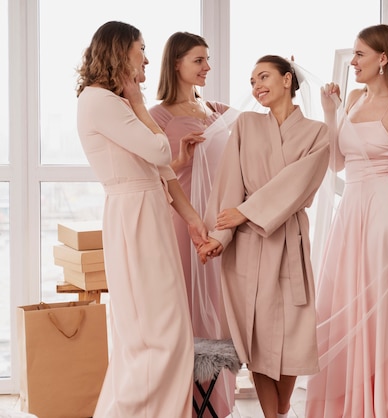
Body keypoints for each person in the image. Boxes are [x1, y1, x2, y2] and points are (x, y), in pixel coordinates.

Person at [76, 21, 207, 417]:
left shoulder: (113, 102)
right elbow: (159, 152)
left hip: (148, 213)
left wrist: (192, 218)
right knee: (154, 335)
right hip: (134, 217)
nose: (147, 58)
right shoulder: (100, 101)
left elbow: (162, 173)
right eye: (141, 49)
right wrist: (136, 103)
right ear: (119, 52)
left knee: (166, 331)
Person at [197, 55, 330, 418]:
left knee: (291, 338)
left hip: (288, 242)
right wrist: (220, 237)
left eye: (264, 77)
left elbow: (299, 185)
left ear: (288, 80)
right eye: (252, 81)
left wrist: (247, 210)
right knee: (255, 336)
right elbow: (229, 185)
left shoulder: (318, 133)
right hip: (247, 246)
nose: (256, 86)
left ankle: (282, 408)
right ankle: (274, 416)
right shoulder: (245, 125)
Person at [304, 24, 388, 418]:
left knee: (379, 309)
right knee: (341, 304)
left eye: (359, 55)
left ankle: (383, 405)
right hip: (350, 211)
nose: (352, 62)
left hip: (382, 213)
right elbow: (338, 163)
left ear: (383, 58)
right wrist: (329, 112)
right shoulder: (353, 98)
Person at [149, 32, 240, 417]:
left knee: (216, 308)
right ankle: (178, 400)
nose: (207, 67)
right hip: (178, 221)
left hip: (216, 223)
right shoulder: (158, 116)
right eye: (198, 60)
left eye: (208, 59)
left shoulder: (216, 109)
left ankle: (214, 399)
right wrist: (183, 161)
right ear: (177, 64)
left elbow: (257, 126)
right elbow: (152, 176)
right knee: (180, 305)